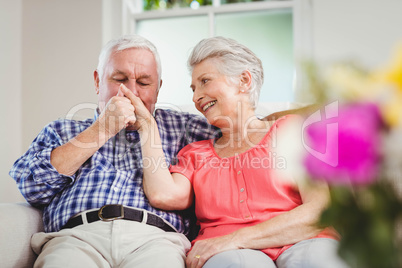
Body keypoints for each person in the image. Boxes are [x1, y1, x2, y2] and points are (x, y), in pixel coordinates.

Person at [135, 36, 350, 268]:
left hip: (304, 241)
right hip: (231, 257)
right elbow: (163, 194)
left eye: (205, 81)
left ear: (244, 80)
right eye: (193, 88)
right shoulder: (195, 153)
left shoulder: (291, 131)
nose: (196, 97)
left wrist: (234, 239)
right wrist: (147, 125)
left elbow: (319, 210)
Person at [9, 35, 220, 268]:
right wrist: (102, 129)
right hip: (77, 238)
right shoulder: (63, 130)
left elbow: (248, 135)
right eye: (119, 79)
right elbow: (32, 188)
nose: (131, 92)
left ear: (158, 88)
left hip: (158, 239)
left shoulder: (185, 128)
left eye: (143, 83)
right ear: (98, 81)